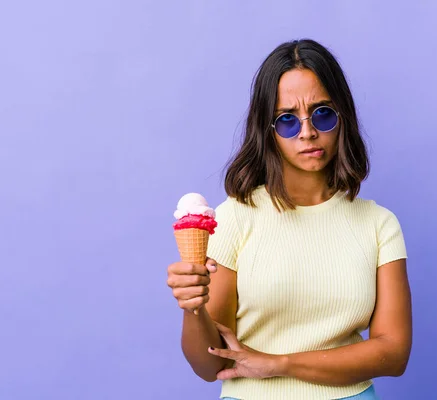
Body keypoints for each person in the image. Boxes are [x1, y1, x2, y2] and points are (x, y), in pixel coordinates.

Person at [167, 39, 412, 400]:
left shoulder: (379, 224)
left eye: (322, 113)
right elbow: (210, 366)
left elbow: (393, 354)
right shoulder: (234, 218)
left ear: (342, 115)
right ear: (267, 130)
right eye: (286, 121)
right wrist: (193, 308)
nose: (307, 132)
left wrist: (279, 363)